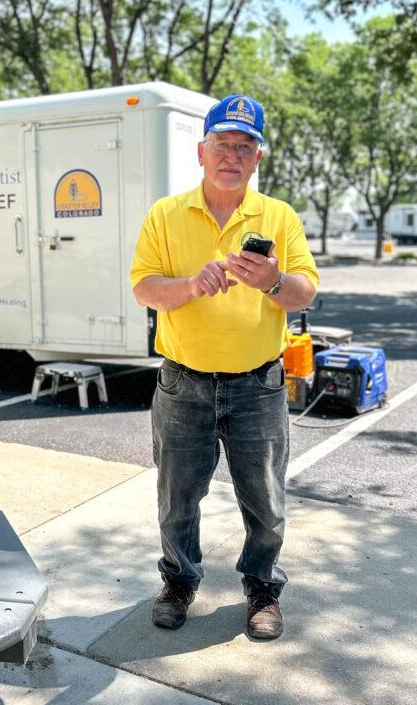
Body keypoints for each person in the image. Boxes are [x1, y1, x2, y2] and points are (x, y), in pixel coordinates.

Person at [129, 94, 318, 640]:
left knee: (264, 500)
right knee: (178, 499)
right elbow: (144, 285)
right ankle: (179, 582)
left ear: (257, 158)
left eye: (244, 146)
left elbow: (304, 290)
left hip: (257, 385)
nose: (231, 155)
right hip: (182, 382)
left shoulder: (278, 217)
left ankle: (262, 589)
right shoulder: (166, 214)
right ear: (201, 150)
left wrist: (272, 282)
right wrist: (189, 284)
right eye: (222, 144)